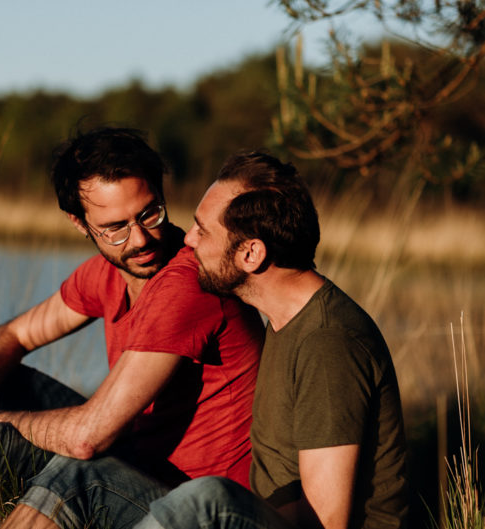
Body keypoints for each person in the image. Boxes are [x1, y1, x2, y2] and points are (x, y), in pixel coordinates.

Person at [0, 128, 265, 528]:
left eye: (150, 213)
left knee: (76, 475)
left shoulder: (187, 283)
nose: (139, 239)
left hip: (199, 509)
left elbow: (88, 437)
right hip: (142, 465)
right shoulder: (105, 273)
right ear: (80, 224)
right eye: (114, 227)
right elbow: (8, 337)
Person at [132, 151, 409, 529]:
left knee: (206, 500)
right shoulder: (284, 320)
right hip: (266, 515)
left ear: (251, 253)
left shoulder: (328, 344)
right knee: (86, 475)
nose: (189, 240)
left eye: (204, 230)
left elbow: (325, 520)